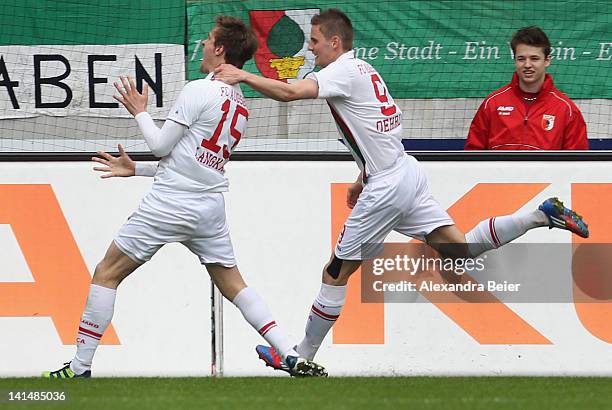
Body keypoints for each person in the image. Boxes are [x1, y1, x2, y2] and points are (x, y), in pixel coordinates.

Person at [213, 9, 590, 374]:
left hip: (388, 186)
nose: (310, 48)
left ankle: (300, 355)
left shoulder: (341, 70)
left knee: (335, 272)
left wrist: (242, 76)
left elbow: (291, 93)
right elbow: (383, 127)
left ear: (334, 41)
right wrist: (364, 175)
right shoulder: (365, 69)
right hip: (404, 171)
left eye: (313, 41)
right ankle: (540, 215)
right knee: (458, 250)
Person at [43, 16, 327, 378]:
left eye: (209, 40)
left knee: (106, 273)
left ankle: (79, 368)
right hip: (208, 207)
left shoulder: (198, 89)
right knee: (234, 284)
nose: (204, 46)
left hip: (169, 202)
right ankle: (289, 353)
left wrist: (141, 112)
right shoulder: (240, 103)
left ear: (220, 49)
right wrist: (136, 170)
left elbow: (162, 147)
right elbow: (195, 161)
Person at [465, 26, 588, 150]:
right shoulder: (492, 104)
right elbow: (472, 155)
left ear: (547, 61)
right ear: (514, 61)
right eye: (521, 59)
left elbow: (578, 164)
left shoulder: (567, 110)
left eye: (534, 59)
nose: (527, 65)